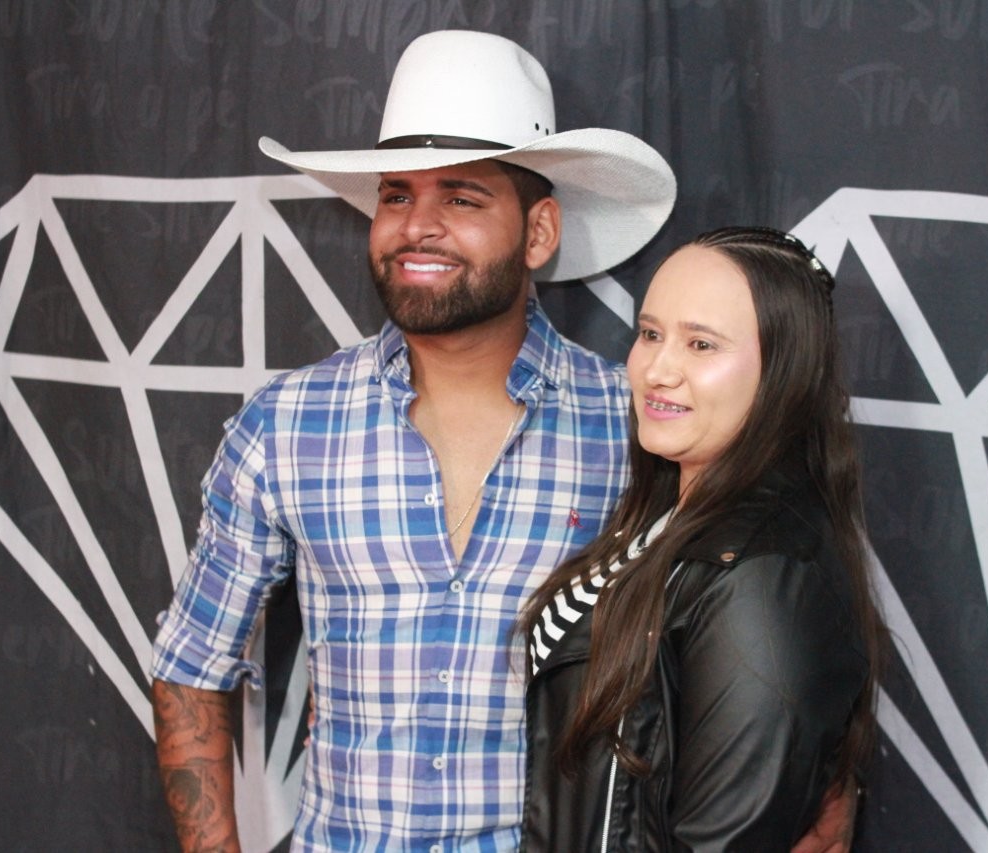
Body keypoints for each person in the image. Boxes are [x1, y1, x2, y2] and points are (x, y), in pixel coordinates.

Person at [149, 29, 855, 852]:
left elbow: (782, 648)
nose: (418, 226)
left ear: (539, 230)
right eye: (396, 195)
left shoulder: (639, 422)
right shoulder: (287, 423)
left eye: (462, 198)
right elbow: (191, 664)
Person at [519, 227, 886, 850]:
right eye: (650, 334)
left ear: (785, 371)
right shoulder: (669, 515)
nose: (658, 370)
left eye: (701, 344)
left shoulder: (761, 577)